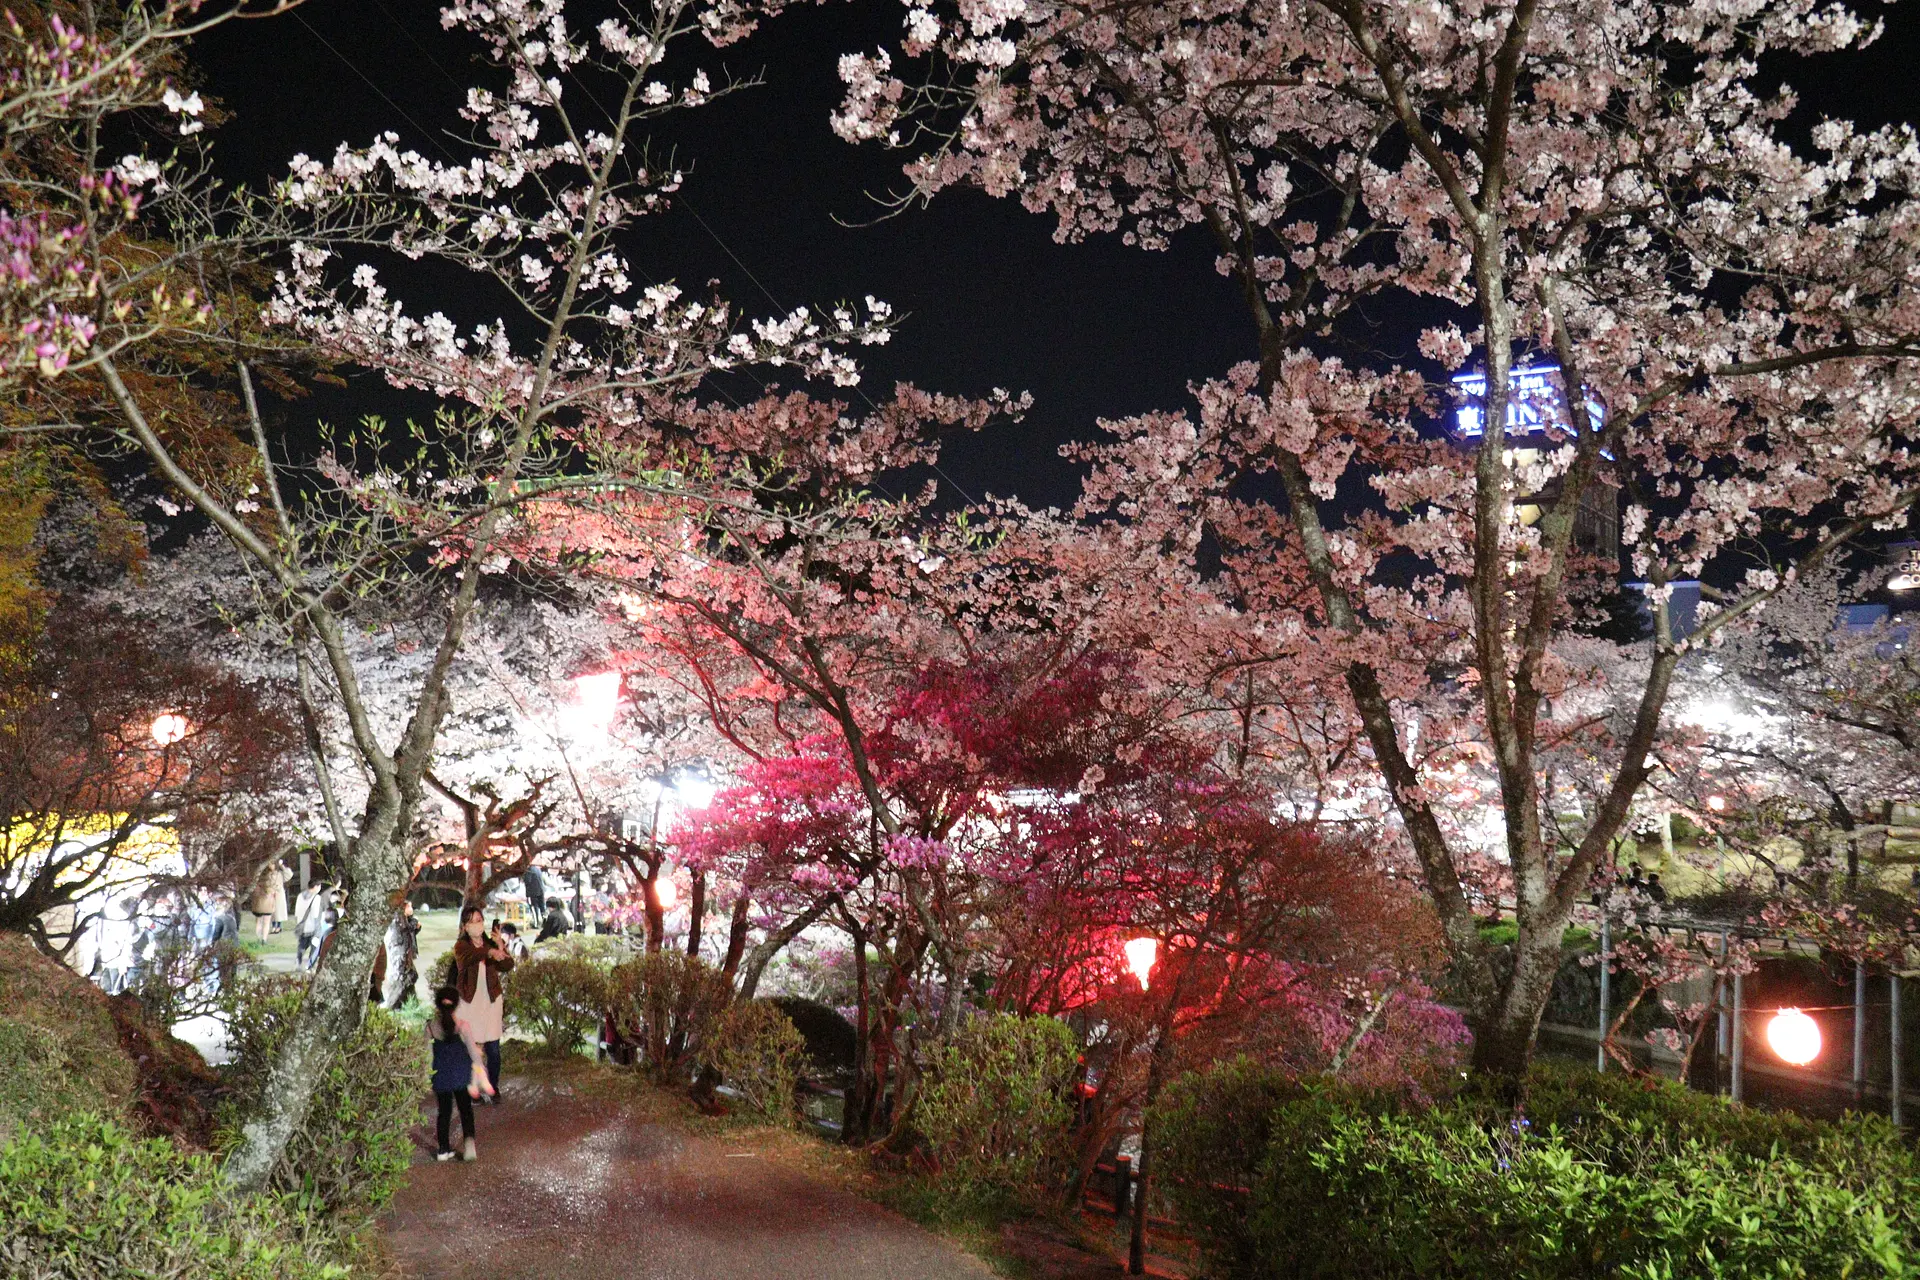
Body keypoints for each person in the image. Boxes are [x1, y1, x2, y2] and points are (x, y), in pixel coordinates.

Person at [452, 906, 514, 1103]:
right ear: (465, 926)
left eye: (480, 919)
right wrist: (491, 951)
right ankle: (473, 1090)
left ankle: (493, 1087)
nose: (478, 924)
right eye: (473, 921)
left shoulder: (491, 943)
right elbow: (473, 955)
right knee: (471, 1049)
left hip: (491, 1002)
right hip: (469, 1003)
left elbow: (507, 965)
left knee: (493, 1049)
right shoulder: (461, 947)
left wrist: (500, 947)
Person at [427, 985, 490, 1161]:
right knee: (465, 1110)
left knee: (444, 1112)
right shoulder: (462, 1026)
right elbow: (473, 1051)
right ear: (456, 1005)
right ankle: (469, 1144)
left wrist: (425, 1076)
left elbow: (426, 1055)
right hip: (461, 1075)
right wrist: (480, 1071)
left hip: (440, 1076)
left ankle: (443, 1150)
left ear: (438, 1005)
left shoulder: (431, 1027)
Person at [384, 901, 422, 1008]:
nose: (411, 908)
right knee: (403, 980)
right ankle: (394, 1005)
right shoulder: (398, 922)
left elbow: (411, 934)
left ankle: (410, 1004)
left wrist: (416, 927)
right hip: (399, 958)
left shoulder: (406, 920)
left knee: (410, 978)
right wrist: (414, 923)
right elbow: (407, 930)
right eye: (408, 906)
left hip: (406, 957)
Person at [248, 858, 291, 945]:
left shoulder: (279, 873)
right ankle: (261, 937)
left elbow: (289, 875)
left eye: (272, 864)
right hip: (266, 897)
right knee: (263, 918)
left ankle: (277, 927)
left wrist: (282, 865)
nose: (270, 865)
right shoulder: (264, 875)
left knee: (277, 913)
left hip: (277, 895)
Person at [293, 880, 327, 969]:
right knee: (314, 947)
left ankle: (298, 961)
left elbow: (297, 912)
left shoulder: (300, 896)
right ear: (315, 887)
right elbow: (315, 914)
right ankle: (309, 966)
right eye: (319, 886)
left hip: (302, 926)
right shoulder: (316, 898)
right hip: (313, 927)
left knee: (302, 946)